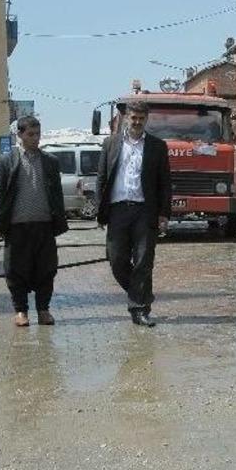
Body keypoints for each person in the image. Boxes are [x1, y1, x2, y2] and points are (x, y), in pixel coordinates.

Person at [96, 101, 171, 327]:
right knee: (116, 259)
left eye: (141, 118)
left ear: (146, 119)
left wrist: (164, 214)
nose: (137, 122)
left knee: (143, 261)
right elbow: (101, 178)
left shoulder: (157, 146)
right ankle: (142, 295)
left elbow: (165, 182)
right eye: (133, 118)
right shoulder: (110, 143)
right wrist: (101, 211)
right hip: (118, 209)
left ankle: (139, 309)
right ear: (126, 118)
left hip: (145, 211)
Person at [0, 116, 69, 327]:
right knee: (16, 270)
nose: (35, 138)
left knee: (46, 270)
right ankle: (21, 311)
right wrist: (0, 223)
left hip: (44, 226)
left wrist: (59, 221)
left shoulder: (50, 161)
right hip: (17, 227)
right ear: (20, 134)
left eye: (38, 134)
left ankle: (43, 310)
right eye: (30, 134)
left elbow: (57, 194)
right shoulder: (7, 162)